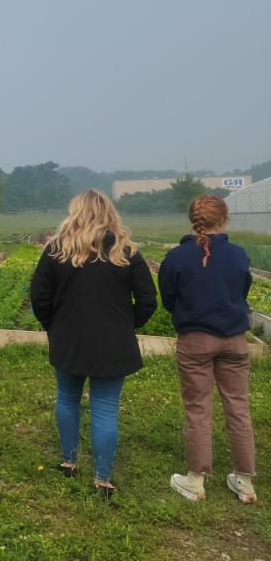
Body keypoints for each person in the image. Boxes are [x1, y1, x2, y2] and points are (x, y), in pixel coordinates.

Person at [30, 190, 157, 496]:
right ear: (109, 214)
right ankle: (102, 478)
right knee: (105, 407)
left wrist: (54, 327)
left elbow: (39, 297)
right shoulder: (127, 251)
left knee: (67, 397)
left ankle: (68, 462)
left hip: (69, 338)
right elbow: (148, 300)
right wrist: (128, 325)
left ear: (75, 213)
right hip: (113, 342)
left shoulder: (57, 250)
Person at [160, 195, 256, 503]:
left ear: (192, 220)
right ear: (224, 219)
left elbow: (169, 299)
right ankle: (244, 480)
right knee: (238, 407)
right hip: (235, 340)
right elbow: (242, 292)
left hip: (195, 341)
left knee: (198, 408)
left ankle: (196, 479)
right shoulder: (239, 255)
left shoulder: (177, 257)